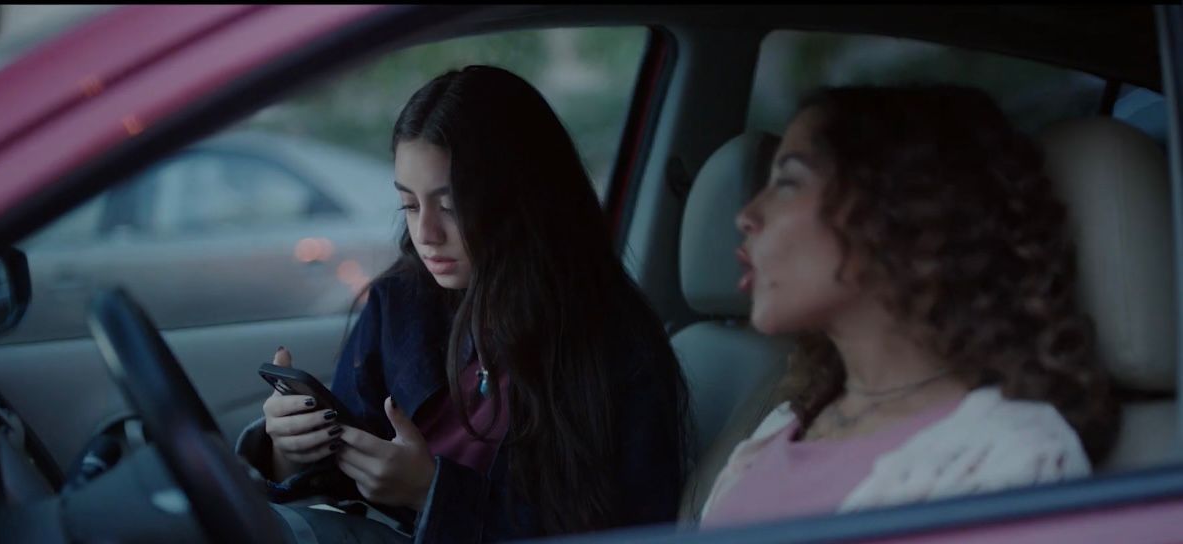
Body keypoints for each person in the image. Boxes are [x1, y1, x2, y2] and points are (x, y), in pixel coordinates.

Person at [235, 65, 691, 543]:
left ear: (524, 198)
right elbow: (345, 467)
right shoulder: (400, 304)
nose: (426, 233)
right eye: (410, 205)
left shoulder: (616, 347)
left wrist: (431, 493)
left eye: (451, 206)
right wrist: (291, 450)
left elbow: (624, 531)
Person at [699, 84, 1120, 528]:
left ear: (901, 213)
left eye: (788, 182)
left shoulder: (1009, 461)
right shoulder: (784, 423)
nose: (746, 215)